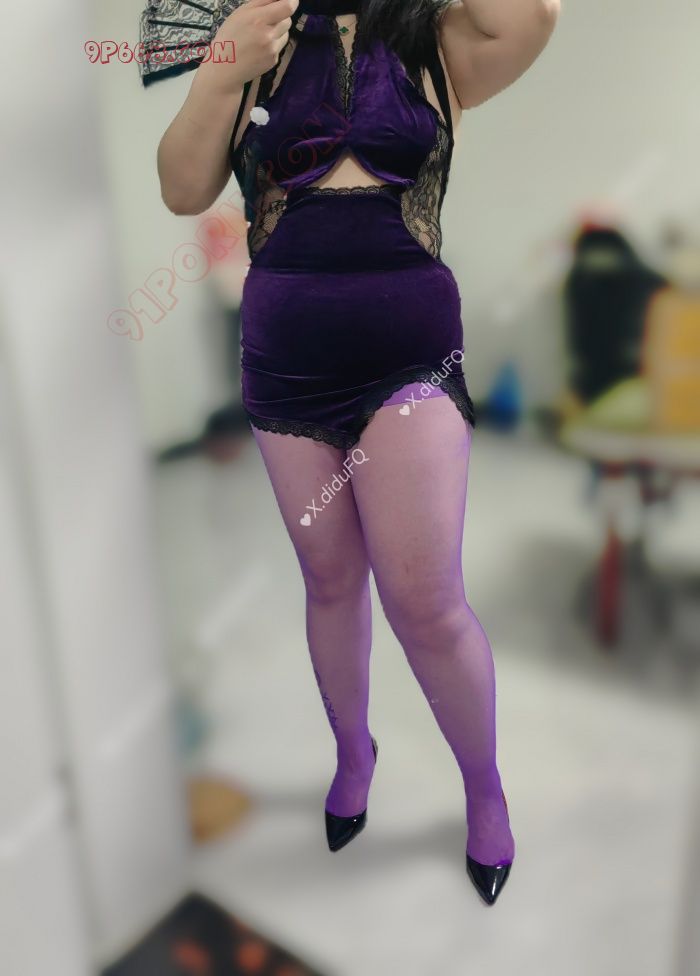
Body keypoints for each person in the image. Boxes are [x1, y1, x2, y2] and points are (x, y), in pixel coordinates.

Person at [141, 0, 560, 906]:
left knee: (427, 603)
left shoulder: (436, 35)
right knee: (330, 581)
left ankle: (484, 791)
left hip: (409, 356)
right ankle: (353, 752)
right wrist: (220, 68)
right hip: (286, 360)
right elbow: (180, 188)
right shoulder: (252, 37)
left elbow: (535, 15)